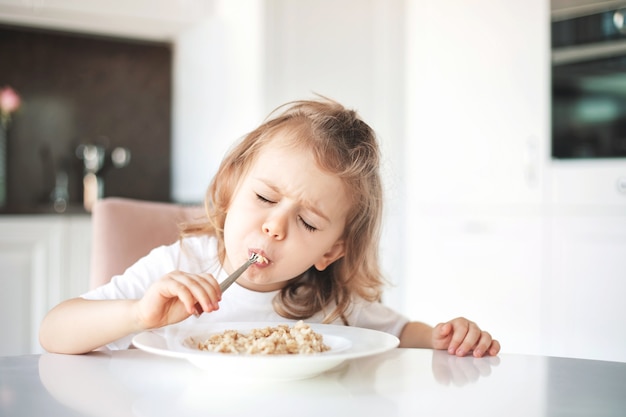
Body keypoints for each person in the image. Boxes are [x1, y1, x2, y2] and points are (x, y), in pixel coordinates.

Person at [39, 98, 500, 357]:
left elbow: (402, 335)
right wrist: (138, 315)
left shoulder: (332, 302)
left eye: (306, 221)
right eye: (263, 198)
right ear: (231, 188)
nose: (275, 226)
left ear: (331, 251)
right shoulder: (180, 265)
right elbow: (54, 332)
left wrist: (447, 335)